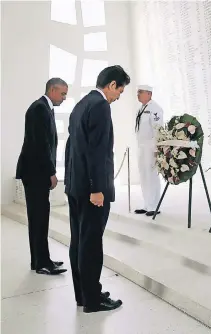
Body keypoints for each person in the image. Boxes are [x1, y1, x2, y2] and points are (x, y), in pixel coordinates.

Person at [64, 65, 130, 313]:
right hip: (90, 190)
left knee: (79, 242)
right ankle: (93, 300)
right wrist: (97, 189)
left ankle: (84, 294)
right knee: (91, 244)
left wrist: (72, 182)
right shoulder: (101, 106)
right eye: (119, 92)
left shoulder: (82, 103)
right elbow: (97, 152)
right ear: (112, 85)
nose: (117, 97)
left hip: (75, 186)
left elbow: (73, 147)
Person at [16, 78, 68, 275]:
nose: (64, 98)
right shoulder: (39, 108)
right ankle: (42, 263)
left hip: (35, 172)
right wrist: (51, 172)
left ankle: (40, 260)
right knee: (39, 218)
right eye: (62, 94)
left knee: (40, 218)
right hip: (36, 172)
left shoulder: (44, 108)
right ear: (52, 90)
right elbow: (40, 145)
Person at [134, 85, 164, 217]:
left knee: (151, 175)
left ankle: (155, 205)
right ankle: (147, 204)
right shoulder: (141, 109)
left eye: (140, 92)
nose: (138, 94)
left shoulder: (155, 109)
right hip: (141, 146)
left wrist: (157, 148)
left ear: (149, 94)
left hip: (151, 146)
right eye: (138, 92)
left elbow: (158, 129)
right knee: (143, 174)